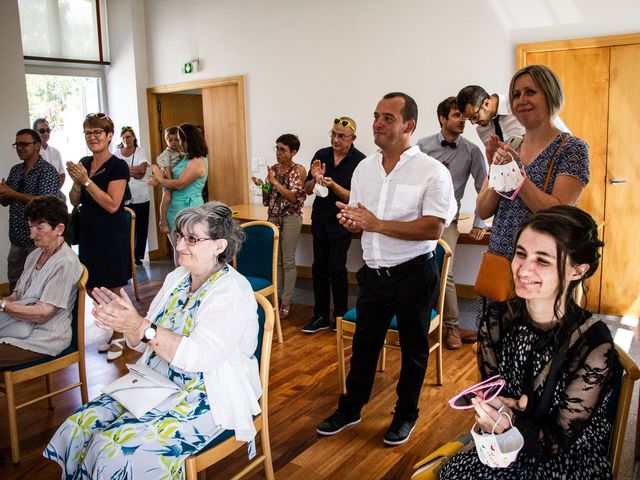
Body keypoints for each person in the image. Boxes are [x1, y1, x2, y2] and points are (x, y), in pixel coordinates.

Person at [44, 202, 261, 479]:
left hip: (207, 393)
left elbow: (198, 358)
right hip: (156, 381)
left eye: (192, 239)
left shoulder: (231, 292)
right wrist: (126, 321)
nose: (180, 245)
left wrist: (140, 325)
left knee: (113, 449)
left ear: (219, 246)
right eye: (179, 236)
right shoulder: (178, 277)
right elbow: (141, 339)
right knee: (79, 426)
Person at [317, 92, 456, 446]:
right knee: (364, 347)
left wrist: (376, 224)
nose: (377, 123)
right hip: (373, 274)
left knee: (413, 351)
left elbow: (433, 229)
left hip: (413, 274)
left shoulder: (432, 171)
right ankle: (351, 408)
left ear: (409, 125)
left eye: (388, 118)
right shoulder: (365, 169)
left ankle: (405, 415)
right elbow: (364, 220)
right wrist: (355, 224)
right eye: (376, 116)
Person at [440, 205, 615, 479]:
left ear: (577, 271)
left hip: (566, 461)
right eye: (520, 254)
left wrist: (513, 423)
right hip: (503, 447)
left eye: (543, 260)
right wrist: (494, 412)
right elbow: (493, 394)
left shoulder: (593, 345)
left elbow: (559, 442)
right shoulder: (497, 321)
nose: (523, 269)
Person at [474, 65, 590, 319]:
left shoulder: (572, 148)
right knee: (496, 341)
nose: (521, 100)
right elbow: (484, 209)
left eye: (530, 92)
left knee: (536, 342)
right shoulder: (512, 145)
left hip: (540, 265)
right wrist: (497, 169)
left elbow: (557, 211)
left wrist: (517, 175)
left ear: (550, 95)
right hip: (502, 260)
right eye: (516, 94)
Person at [416, 97, 487, 349]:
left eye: (464, 117)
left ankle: (452, 327)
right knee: (415, 269)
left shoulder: (472, 151)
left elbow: (485, 188)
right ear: (442, 119)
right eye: (457, 115)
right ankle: (417, 322)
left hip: (448, 220)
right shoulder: (422, 146)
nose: (463, 121)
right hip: (418, 217)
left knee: (444, 271)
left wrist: (480, 222)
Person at [66, 113, 131, 361]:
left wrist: (87, 181)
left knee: (112, 287)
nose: (92, 138)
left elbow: (113, 205)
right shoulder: (85, 161)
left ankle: (119, 334)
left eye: (98, 133)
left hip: (110, 234)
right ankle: (117, 328)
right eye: (88, 133)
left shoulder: (118, 166)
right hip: (89, 233)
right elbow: (74, 200)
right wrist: (77, 183)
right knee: (94, 286)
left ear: (109, 136)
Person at [0, 196, 83, 367]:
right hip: (20, 327)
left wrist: (3, 306)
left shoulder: (65, 262)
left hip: (44, 338)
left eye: (39, 227)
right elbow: (17, 296)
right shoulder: (35, 255)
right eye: (31, 227)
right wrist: (5, 302)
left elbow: (43, 313)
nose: (32, 235)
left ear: (59, 228)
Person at [301, 117, 365, 333]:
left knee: (336, 269)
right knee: (318, 268)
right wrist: (315, 179)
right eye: (333, 134)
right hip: (320, 218)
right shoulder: (321, 155)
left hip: (342, 221)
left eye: (341, 136)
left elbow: (353, 198)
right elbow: (308, 189)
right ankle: (320, 315)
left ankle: (339, 315)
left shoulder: (360, 161)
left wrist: (332, 184)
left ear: (353, 138)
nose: (335, 139)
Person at [251, 134, 306, 319]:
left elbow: (293, 197)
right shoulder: (273, 169)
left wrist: (274, 183)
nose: (278, 153)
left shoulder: (298, 170)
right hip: (274, 217)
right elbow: (270, 197)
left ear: (294, 152)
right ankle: (276, 298)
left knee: (288, 260)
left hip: (291, 218)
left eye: (282, 149)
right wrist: (263, 187)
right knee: (277, 260)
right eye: (277, 148)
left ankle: (287, 301)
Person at [0, 128, 59, 291]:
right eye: (17, 144)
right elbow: (7, 202)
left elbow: (45, 202)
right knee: (15, 281)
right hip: (17, 237)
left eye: (24, 144)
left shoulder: (47, 171)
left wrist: (12, 192)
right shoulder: (15, 170)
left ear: (37, 146)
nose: (19, 148)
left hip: (39, 239)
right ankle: (16, 314)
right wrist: (4, 194)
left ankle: (36, 315)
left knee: (38, 284)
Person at [151, 123, 208, 266]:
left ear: (188, 140)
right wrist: (160, 178)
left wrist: (160, 179)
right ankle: (181, 283)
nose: (179, 144)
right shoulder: (184, 158)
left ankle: (194, 284)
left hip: (190, 209)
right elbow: (171, 177)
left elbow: (179, 184)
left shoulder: (199, 161)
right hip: (173, 210)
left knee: (191, 250)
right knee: (178, 250)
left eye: (180, 140)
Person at [456, 84, 569, 150]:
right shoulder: (482, 130)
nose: (473, 123)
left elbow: (563, 136)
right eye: (468, 119)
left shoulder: (520, 105)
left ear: (486, 103)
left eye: (474, 116)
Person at [114, 126, 151, 265]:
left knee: (141, 227)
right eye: (123, 137)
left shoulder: (140, 151)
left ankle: (138, 256)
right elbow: (116, 171)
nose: (126, 140)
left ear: (134, 137)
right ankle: (127, 255)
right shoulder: (117, 153)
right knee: (126, 228)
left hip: (141, 196)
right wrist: (131, 171)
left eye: (128, 137)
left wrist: (124, 170)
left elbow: (142, 171)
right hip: (123, 197)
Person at [153, 126, 183, 235]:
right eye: (170, 140)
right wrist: (171, 184)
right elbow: (168, 170)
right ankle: (163, 220)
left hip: (176, 180)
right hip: (167, 179)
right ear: (166, 141)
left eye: (176, 140)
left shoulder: (181, 152)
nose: (173, 142)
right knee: (167, 196)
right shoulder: (166, 155)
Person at [33, 118, 65, 192]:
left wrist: (55, 190)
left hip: (55, 195)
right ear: (34, 133)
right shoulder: (33, 152)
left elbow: (62, 174)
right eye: (42, 131)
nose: (46, 133)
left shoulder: (55, 152)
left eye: (48, 130)